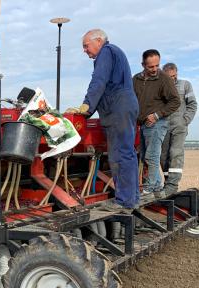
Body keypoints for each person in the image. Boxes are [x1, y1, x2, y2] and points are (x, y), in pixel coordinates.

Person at [66, 29, 140, 212]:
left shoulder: (106, 52)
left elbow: (99, 81)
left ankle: (124, 201)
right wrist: (88, 111)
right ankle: (132, 197)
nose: (84, 50)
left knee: (119, 155)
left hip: (118, 108)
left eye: (86, 45)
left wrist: (86, 107)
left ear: (98, 41)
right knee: (127, 153)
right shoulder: (115, 53)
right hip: (123, 106)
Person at [132, 49, 180, 198]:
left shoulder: (164, 79)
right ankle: (158, 186)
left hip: (157, 123)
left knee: (152, 156)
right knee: (145, 155)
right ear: (143, 65)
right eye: (150, 66)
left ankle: (150, 188)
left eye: (156, 65)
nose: (154, 69)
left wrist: (158, 115)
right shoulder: (136, 79)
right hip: (142, 124)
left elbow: (175, 101)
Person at [160, 62, 197, 195]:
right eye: (170, 77)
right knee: (163, 156)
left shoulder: (185, 85)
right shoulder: (160, 87)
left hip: (179, 126)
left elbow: (192, 104)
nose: (173, 79)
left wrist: (185, 120)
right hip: (163, 126)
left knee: (175, 153)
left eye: (175, 76)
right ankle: (167, 182)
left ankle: (172, 185)